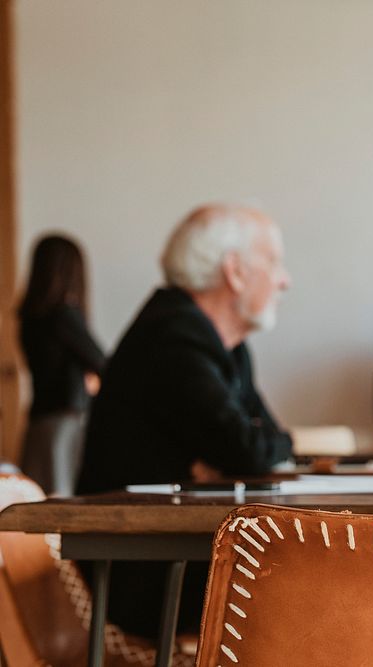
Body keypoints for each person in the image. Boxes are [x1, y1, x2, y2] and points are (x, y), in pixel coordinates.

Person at [77, 204, 293, 639]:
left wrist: (254, 449)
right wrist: (254, 449)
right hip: (147, 580)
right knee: (308, 595)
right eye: (274, 262)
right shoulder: (173, 334)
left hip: (182, 558)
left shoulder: (228, 346)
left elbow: (268, 442)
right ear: (234, 272)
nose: (285, 280)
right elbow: (248, 449)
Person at [18, 234, 105, 496]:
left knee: (37, 500)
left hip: (38, 421)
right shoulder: (64, 314)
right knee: (62, 500)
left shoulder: (30, 317)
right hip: (65, 422)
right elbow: (102, 363)